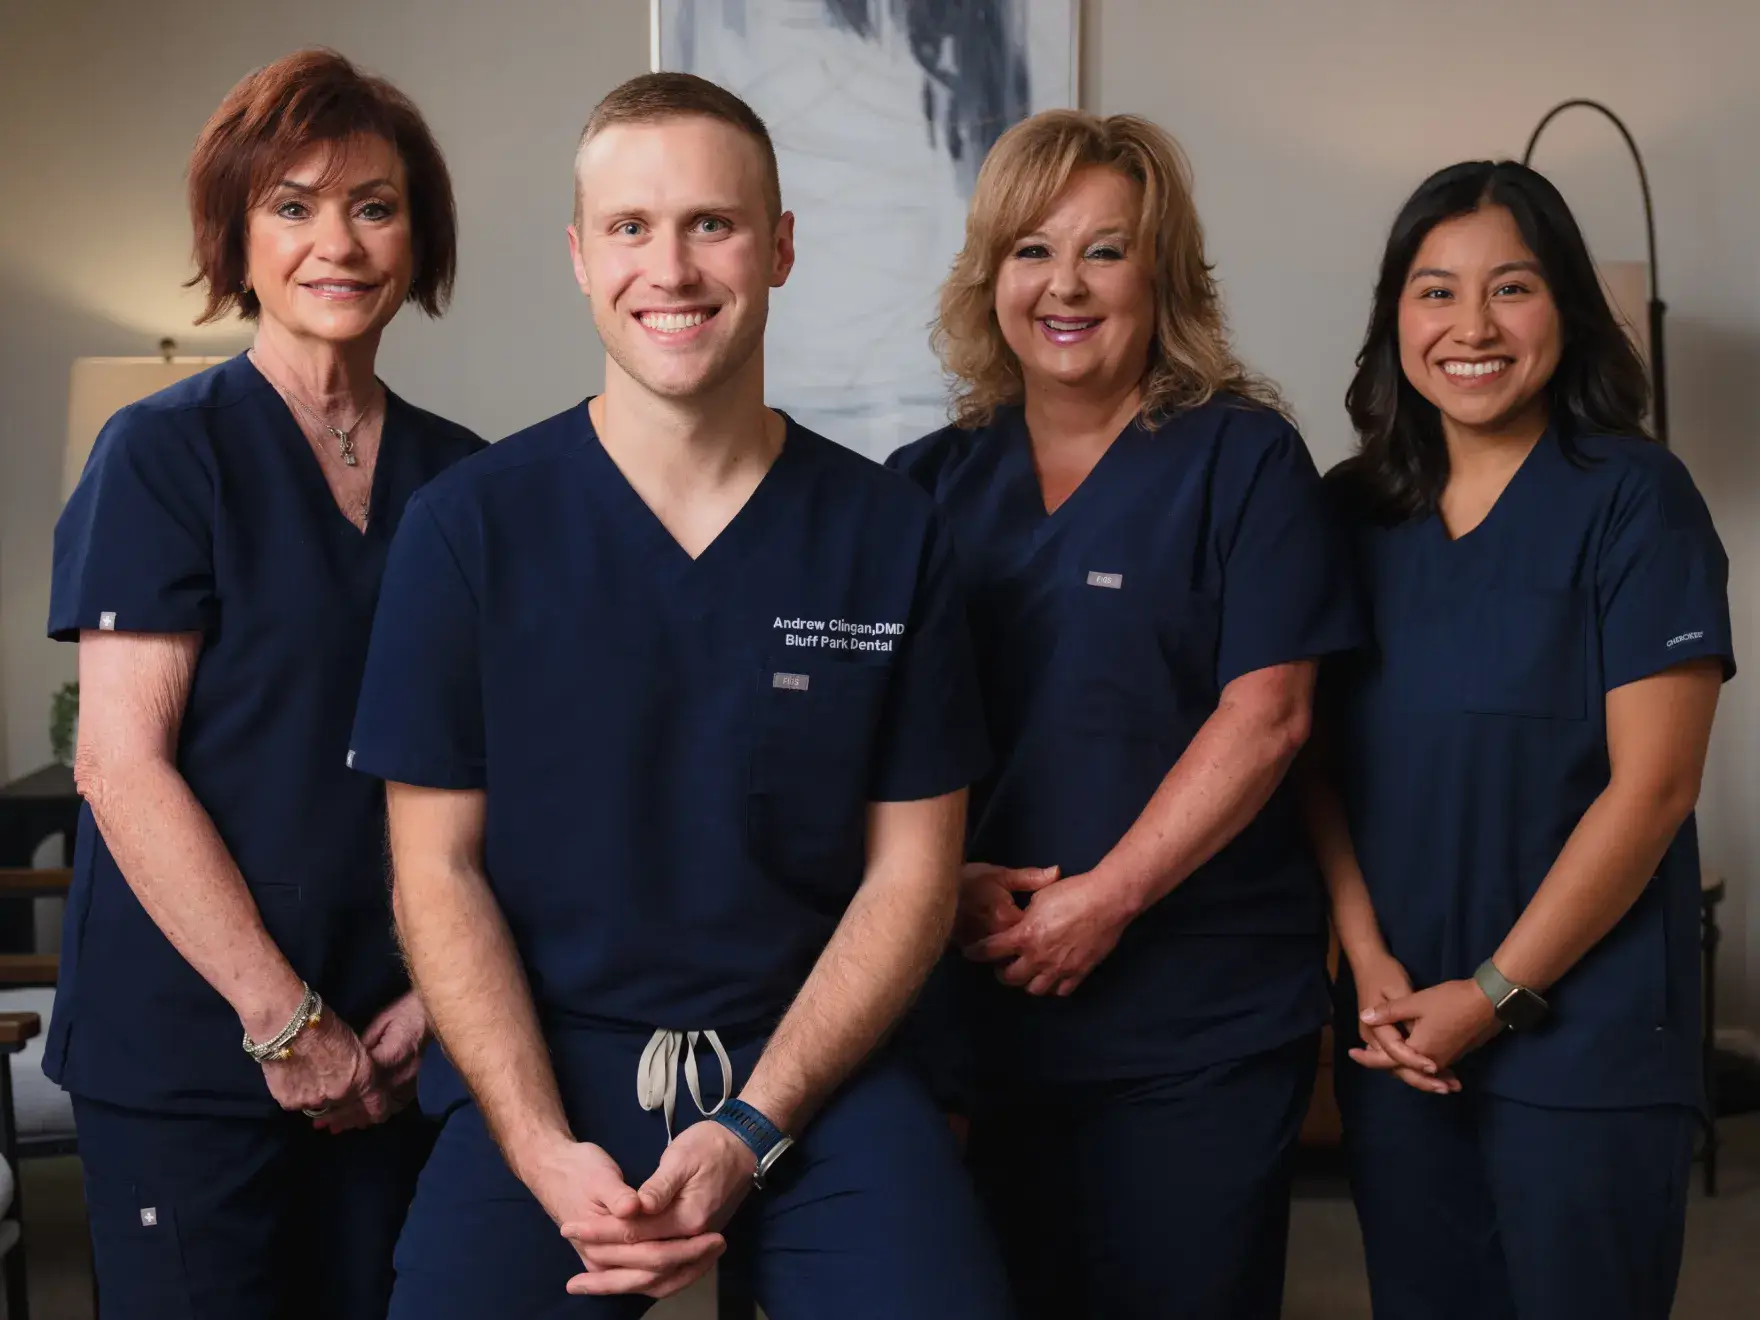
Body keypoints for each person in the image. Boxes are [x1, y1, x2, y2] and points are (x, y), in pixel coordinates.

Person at [346, 72, 1014, 1319]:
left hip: (810, 1066)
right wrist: (540, 1151)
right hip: (546, 1067)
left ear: (779, 248)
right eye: (629, 228)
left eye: (711, 223)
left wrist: (750, 1129)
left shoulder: (886, 533)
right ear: (579, 257)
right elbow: (434, 874)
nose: (673, 266)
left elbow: (912, 875)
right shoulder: (467, 534)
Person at [888, 110, 1363, 1320]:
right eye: (1030, 248)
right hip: (979, 1011)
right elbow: (864, 740)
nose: (1064, 284)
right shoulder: (924, 487)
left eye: (1105, 250)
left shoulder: (1243, 463)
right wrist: (939, 887)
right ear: (988, 272)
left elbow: (1270, 717)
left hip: (1191, 1021)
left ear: (1162, 276)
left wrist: (1109, 897)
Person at [47, 48, 482, 1319]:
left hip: (398, 1044)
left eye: (374, 205)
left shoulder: (466, 481)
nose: (335, 242)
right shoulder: (161, 455)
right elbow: (117, 763)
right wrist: (288, 1026)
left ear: (418, 238)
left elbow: (502, 765)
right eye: (291, 205)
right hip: (191, 1045)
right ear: (236, 239)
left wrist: (430, 1008)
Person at [1313, 159, 1730, 1320]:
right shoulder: (1348, 513)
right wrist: (1369, 967)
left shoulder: (1637, 499)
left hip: (1583, 1043)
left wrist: (1492, 993)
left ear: (1567, 312)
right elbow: (1312, 764)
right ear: (1393, 315)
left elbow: (1651, 790)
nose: (1471, 327)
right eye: (1434, 291)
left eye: (1512, 288)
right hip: (1400, 1038)